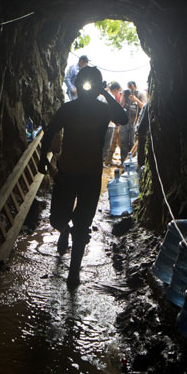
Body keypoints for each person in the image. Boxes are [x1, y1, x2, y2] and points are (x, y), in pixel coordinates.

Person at [38, 66, 128, 287]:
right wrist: (42, 157)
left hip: (90, 175)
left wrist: (105, 93)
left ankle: (74, 273)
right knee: (57, 219)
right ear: (77, 86)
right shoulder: (68, 109)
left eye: (92, 85)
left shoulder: (102, 110)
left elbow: (123, 119)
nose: (86, 88)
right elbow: (50, 131)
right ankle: (64, 230)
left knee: (83, 224)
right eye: (84, 84)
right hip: (67, 172)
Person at [101, 81, 122, 166]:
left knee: (105, 145)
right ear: (116, 89)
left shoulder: (106, 95)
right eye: (118, 91)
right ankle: (101, 163)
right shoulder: (109, 97)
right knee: (106, 146)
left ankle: (102, 162)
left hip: (107, 124)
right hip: (108, 124)